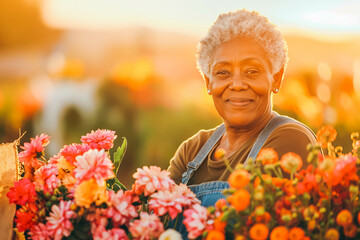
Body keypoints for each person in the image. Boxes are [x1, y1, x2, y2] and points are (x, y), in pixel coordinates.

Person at [167, 9, 317, 208]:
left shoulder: (290, 138)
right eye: (223, 72)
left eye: (251, 71)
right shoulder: (192, 150)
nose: (237, 84)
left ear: (276, 78)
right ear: (208, 82)